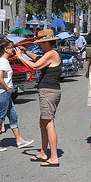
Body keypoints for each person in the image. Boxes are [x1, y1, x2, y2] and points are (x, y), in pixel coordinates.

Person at [15, 28, 63, 168]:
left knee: (49, 124)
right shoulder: (50, 53)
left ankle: (54, 157)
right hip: (49, 91)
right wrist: (26, 52)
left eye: (42, 43)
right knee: (43, 123)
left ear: (48, 43)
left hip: (48, 92)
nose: (40, 45)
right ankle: (43, 152)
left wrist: (20, 57)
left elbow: (35, 66)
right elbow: (37, 58)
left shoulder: (51, 54)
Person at [0, 38, 34, 152]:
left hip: (5, 93)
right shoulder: (3, 61)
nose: (13, 49)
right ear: (5, 49)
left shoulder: (3, 60)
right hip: (2, 93)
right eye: (11, 47)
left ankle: (19, 140)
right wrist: (7, 88)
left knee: (13, 116)